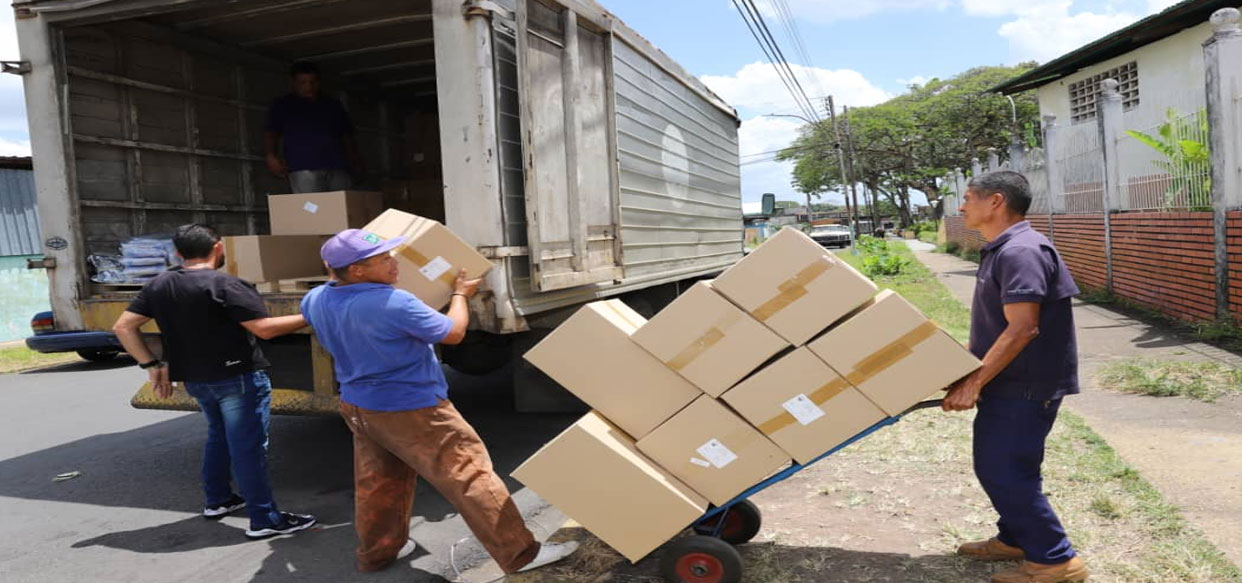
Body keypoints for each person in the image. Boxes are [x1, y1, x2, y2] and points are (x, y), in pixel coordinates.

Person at [300, 229, 577, 573]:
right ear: (356, 270)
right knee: (471, 475)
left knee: (378, 484)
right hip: (413, 408)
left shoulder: (314, 300)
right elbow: (454, 332)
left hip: (359, 407)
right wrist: (460, 294)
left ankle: (378, 553)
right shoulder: (392, 302)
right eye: (383, 259)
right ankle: (522, 554)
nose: (393, 263)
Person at [112, 224, 317, 540]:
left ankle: (218, 500)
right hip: (237, 377)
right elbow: (264, 329)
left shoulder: (158, 284)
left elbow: (124, 327)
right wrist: (313, 313)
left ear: (178, 253)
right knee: (248, 447)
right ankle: (264, 518)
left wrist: (151, 365)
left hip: (195, 379)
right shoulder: (227, 284)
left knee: (219, 435)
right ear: (219, 248)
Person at [943, 171, 1089, 583]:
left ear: (996, 202)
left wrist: (974, 382)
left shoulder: (1021, 251)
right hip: (1010, 381)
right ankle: (1016, 538)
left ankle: (1056, 560)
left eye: (968, 197)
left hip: (1027, 384)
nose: (962, 205)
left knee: (1002, 468)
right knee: (1012, 464)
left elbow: (1023, 327)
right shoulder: (1004, 248)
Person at [265, 61, 362, 193]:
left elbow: (347, 135)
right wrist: (271, 155)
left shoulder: (332, 105)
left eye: (312, 82)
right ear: (294, 83)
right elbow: (272, 132)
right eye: (303, 83)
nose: (308, 87)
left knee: (342, 208)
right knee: (312, 208)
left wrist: (354, 161)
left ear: (319, 82)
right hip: (304, 168)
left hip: (337, 167)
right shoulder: (283, 105)